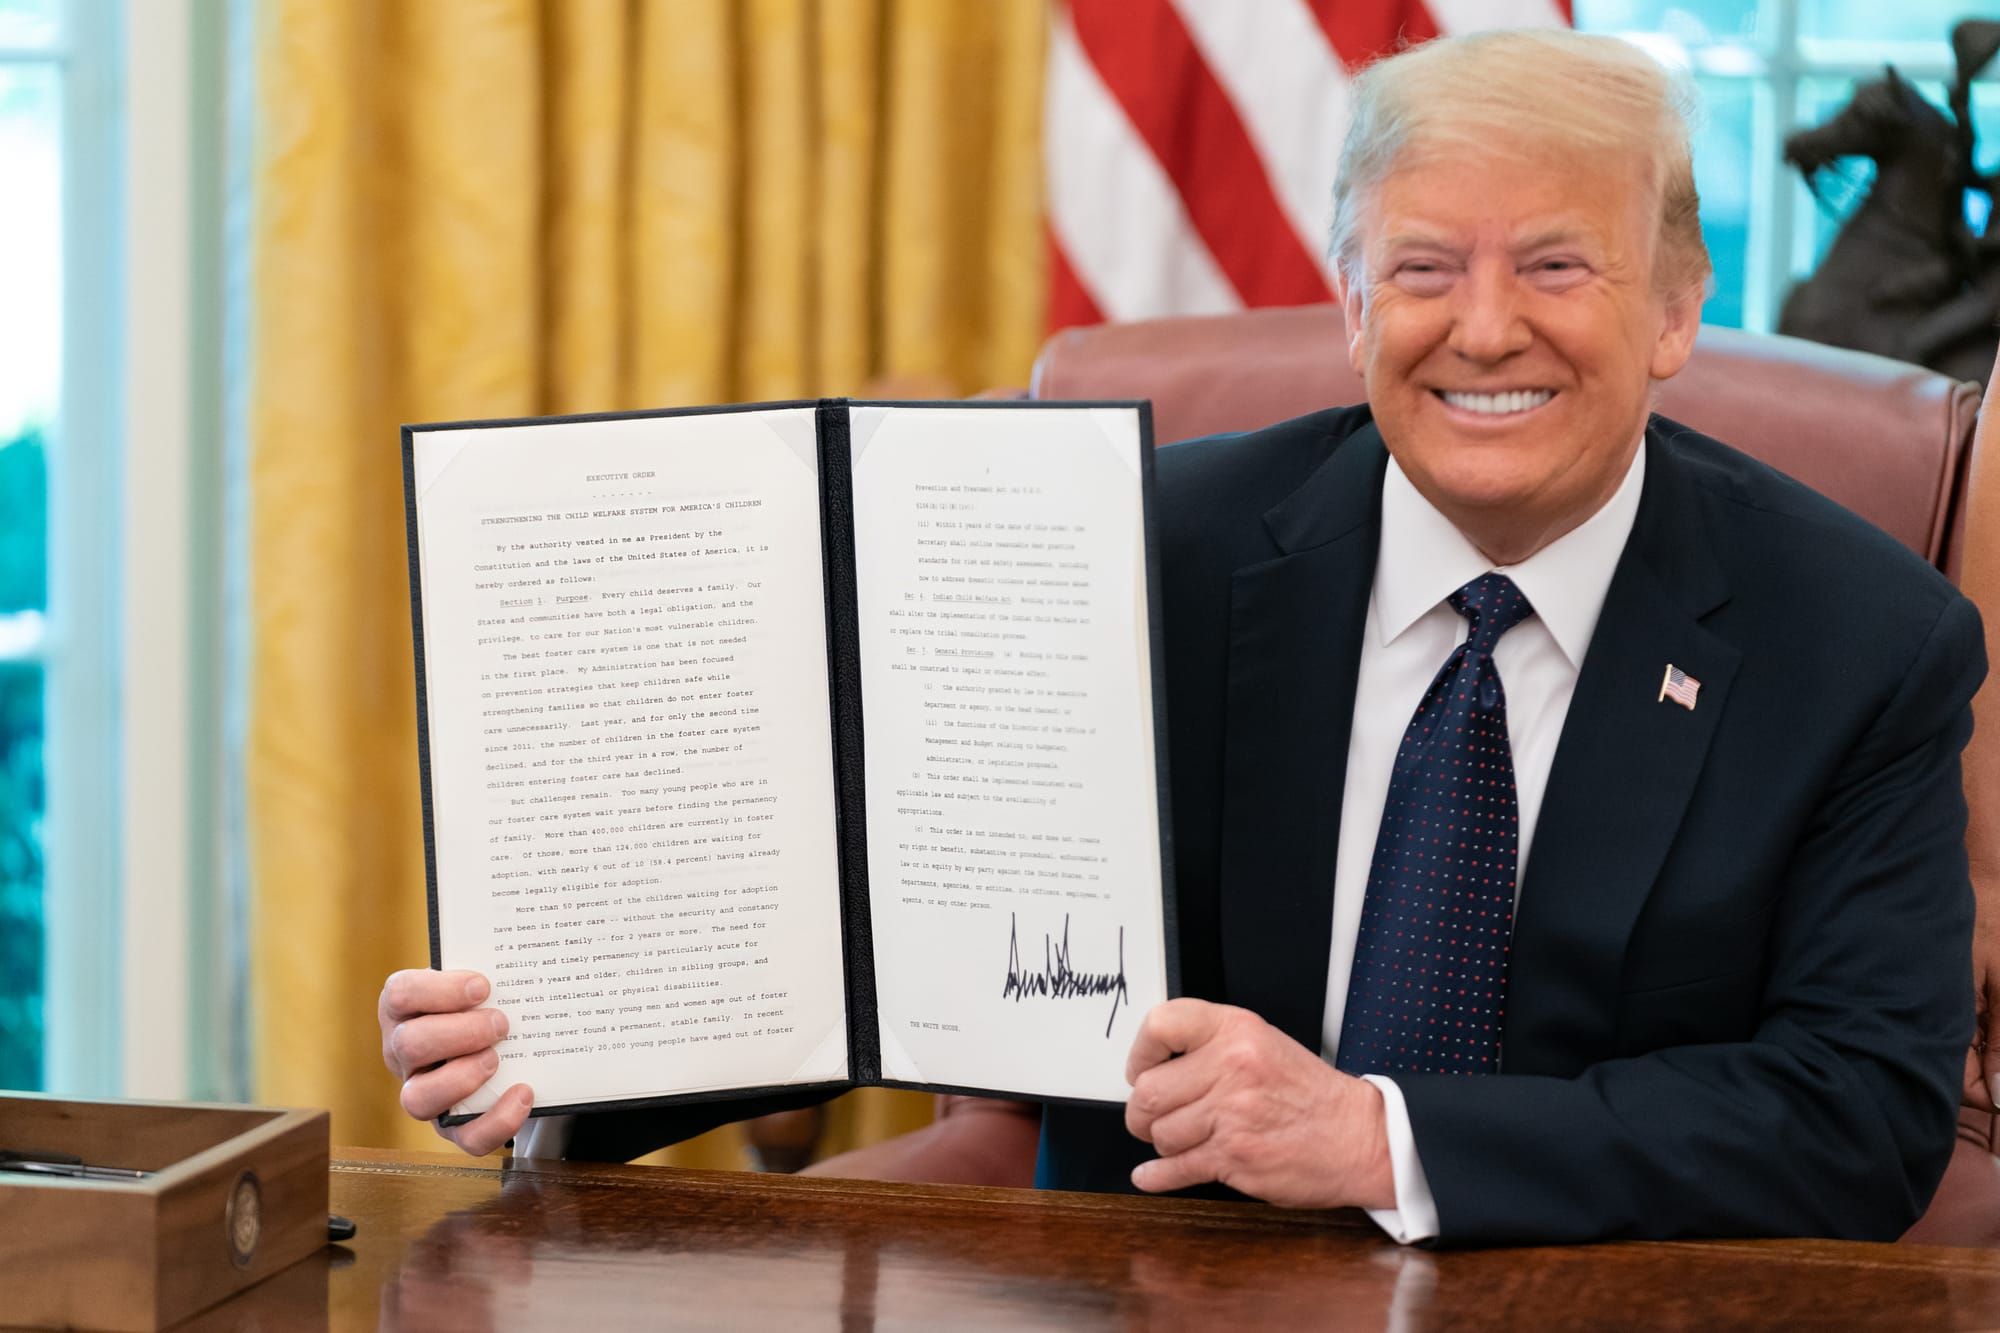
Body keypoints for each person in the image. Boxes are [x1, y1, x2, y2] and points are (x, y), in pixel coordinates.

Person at [379, 29, 1984, 1243]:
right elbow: (877, 940)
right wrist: (563, 1058)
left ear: (1674, 307)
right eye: (1423, 268)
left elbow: (1856, 1110)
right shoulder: (1130, 550)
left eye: (1557, 264)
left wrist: (1382, 1137)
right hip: (1155, 1285)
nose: (1485, 326)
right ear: (1352, 303)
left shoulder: (1858, 639)